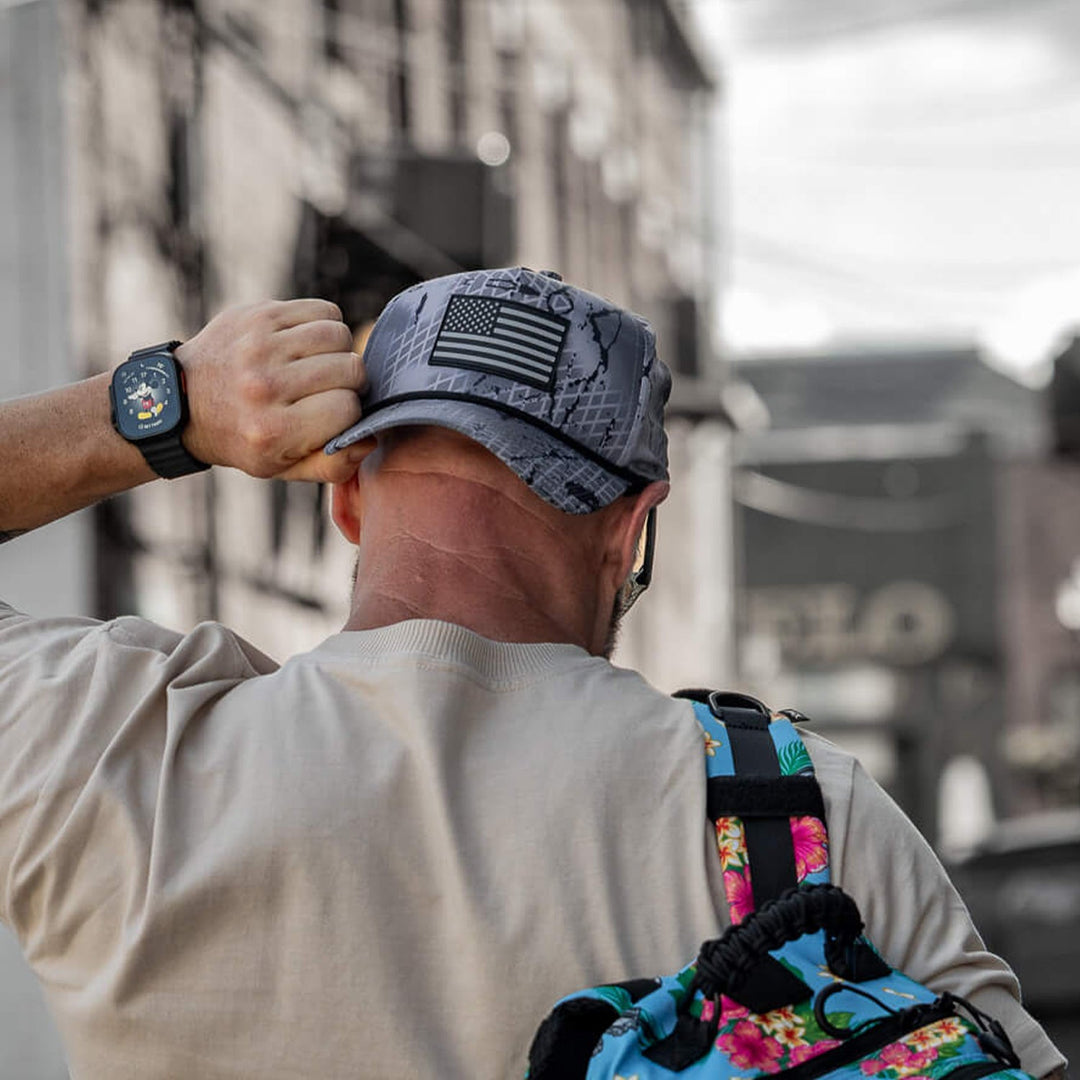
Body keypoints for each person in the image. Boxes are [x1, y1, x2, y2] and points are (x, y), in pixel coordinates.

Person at [0, 268, 1065, 1080]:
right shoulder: (796, 816)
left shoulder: (99, 744)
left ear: (347, 500)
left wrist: (160, 404)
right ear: (632, 529)